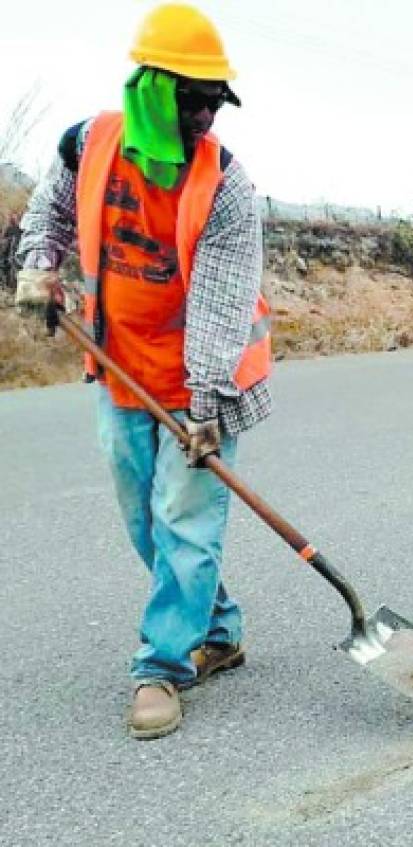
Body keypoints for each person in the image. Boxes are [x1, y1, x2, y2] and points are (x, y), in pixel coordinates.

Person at [15, 3, 271, 739]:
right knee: (144, 519)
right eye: (193, 100)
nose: (205, 117)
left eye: (215, 102)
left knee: (185, 520)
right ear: (151, 86)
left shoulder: (225, 182)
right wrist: (39, 269)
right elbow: (48, 216)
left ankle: (163, 664)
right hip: (120, 370)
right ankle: (218, 624)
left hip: (204, 382)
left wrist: (204, 405)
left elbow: (223, 305)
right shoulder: (86, 143)